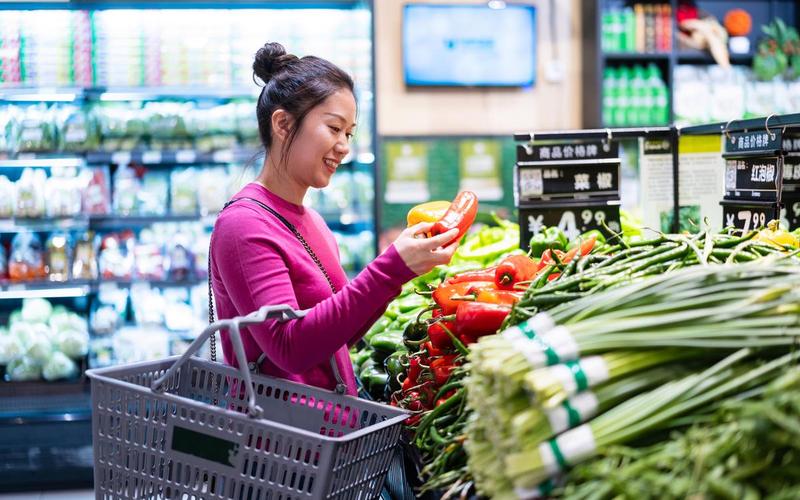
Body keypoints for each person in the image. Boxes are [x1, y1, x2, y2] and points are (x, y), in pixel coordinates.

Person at [209, 42, 459, 397]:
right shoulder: (243, 226)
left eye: (349, 133)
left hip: (326, 434)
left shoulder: (313, 223)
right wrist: (389, 269)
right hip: (279, 442)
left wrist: (403, 271)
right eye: (333, 128)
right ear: (282, 123)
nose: (344, 145)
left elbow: (345, 334)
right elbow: (288, 347)